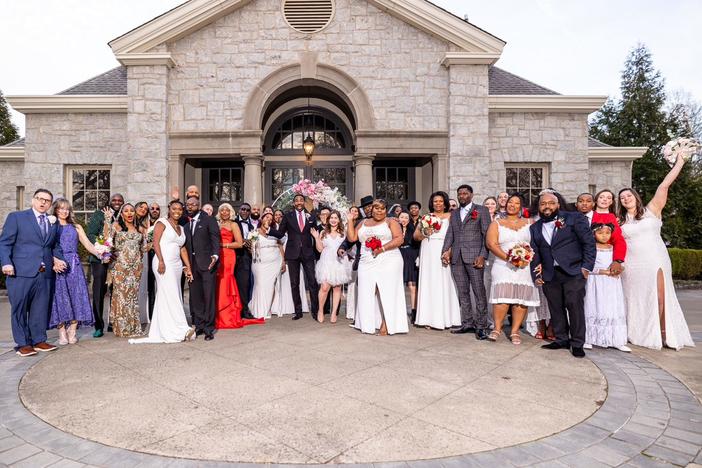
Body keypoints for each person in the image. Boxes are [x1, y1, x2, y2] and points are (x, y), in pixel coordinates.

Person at [618, 154, 694, 350]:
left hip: (655, 259)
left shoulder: (652, 210)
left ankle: (663, 333)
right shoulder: (620, 221)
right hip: (632, 265)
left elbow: (664, 186)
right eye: (622, 198)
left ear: (635, 197)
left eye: (628, 195)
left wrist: (680, 162)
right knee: (635, 298)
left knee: (660, 296)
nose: (626, 199)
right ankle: (637, 332)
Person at [0, 189, 66, 357]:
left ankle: (39, 340)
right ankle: (23, 343)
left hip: (44, 274)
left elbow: (54, 245)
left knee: (40, 308)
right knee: (20, 309)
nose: (43, 203)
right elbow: (5, 243)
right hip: (20, 271)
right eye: (40, 199)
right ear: (33, 200)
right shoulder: (17, 217)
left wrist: (57, 258)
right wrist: (6, 262)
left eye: (47, 201)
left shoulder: (53, 222)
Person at [530, 191, 596, 358]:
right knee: (555, 308)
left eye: (551, 203)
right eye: (543, 204)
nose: (547, 206)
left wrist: (586, 267)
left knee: (575, 307)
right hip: (550, 274)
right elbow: (535, 252)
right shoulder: (535, 227)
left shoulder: (574, 218)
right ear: (539, 207)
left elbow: (588, 243)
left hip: (574, 271)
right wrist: (536, 274)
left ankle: (577, 343)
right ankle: (561, 339)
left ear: (558, 204)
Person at [129, 201, 197, 344]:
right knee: (170, 293)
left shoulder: (181, 228)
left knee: (173, 294)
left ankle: (170, 327)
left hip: (177, 265)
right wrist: (160, 260)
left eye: (179, 209)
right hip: (163, 264)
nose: (177, 211)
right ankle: (180, 328)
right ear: (169, 209)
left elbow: (182, 249)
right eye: (174, 208)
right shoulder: (162, 222)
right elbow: (155, 242)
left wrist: (188, 267)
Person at [346, 199, 408, 335]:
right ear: (371, 209)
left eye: (382, 208)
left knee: (387, 290)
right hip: (366, 260)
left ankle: (386, 323)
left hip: (389, 259)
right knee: (367, 290)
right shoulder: (362, 223)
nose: (379, 211)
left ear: (386, 210)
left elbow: (399, 239)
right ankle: (367, 323)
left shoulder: (391, 221)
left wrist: (382, 248)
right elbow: (352, 238)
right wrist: (350, 220)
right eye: (376, 208)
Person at [485, 194, 540, 344]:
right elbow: (492, 244)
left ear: (521, 207)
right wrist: (510, 258)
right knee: (502, 297)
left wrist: (528, 260)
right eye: (510, 202)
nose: (512, 205)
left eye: (516, 203)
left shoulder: (531, 223)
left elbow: (538, 244)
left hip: (525, 266)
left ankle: (515, 331)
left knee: (520, 299)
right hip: (503, 264)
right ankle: (497, 328)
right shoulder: (496, 223)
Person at [441, 185, 491, 339]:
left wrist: (483, 255)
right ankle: (467, 322)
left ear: (471, 194)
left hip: (475, 257)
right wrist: (445, 250)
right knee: (463, 292)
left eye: (465, 193)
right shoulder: (454, 213)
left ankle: (482, 326)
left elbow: (486, 235)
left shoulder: (481, 211)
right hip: (457, 258)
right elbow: (451, 233)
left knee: (479, 292)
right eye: (459, 194)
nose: (462, 196)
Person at [50, 199, 101, 345]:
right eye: (61, 209)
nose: (64, 212)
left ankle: (72, 330)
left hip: (74, 266)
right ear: (56, 210)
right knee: (59, 298)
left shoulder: (76, 227)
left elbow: (87, 244)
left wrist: (101, 254)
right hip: (58, 265)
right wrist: (53, 261)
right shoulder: (52, 226)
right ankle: (61, 332)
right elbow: (46, 247)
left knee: (76, 296)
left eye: (66, 209)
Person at [267, 195, 320, 320]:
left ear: (304, 202)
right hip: (292, 253)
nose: (299, 202)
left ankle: (315, 311)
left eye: (301, 200)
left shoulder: (311, 215)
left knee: (312, 282)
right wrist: (268, 230)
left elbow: (315, 231)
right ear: (293, 203)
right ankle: (298, 311)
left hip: (308, 253)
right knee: (294, 283)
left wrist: (312, 221)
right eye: (296, 201)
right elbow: (280, 233)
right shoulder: (287, 216)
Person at [415, 191, 461, 330]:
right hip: (428, 248)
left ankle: (446, 318)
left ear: (445, 202)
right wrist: (425, 232)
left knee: (444, 281)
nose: (438, 204)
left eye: (441, 201)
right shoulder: (426, 217)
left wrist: (450, 251)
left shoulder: (452, 216)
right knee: (429, 282)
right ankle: (428, 318)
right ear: (431, 203)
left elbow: (457, 236)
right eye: (435, 201)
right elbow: (416, 237)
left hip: (444, 248)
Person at [215, 203, 264, 329]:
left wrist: (223, 245)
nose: (224, 212)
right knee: (219, 283)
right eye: (222, 210)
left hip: (229, 256)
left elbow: (239, 243)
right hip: (218, 256)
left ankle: (229, 314)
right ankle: (219, 314)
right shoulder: (216, 224)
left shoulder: (234, 224)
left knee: (227, 281)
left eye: (227, 210)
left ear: (231, 212)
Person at [584, 223, 630, 352]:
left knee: (611, 307)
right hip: (596, 282)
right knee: (595, 306)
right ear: (594, 234)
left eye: (607, 233)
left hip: (612, 283)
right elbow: (587, 266)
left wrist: (619, 269)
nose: (604, 236)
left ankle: (615, 339)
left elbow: (620, 263)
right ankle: (589, 338)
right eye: (600, 233)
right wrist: (604, 272)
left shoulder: (612, 247)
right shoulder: (591, 248)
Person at [86, 192, 123, 337]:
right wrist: (103, 248)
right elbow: (91, 234)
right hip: (100, 259)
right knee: (99, 292)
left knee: (117, 292)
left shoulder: (125, 216)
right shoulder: (99, 214)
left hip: (118, 260)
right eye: (114, 199)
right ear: (109, 201)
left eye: (120, 200)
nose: (117, 202)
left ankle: (113, 323)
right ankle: (98, 325)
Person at [107, 203, 146, 338]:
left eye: (131, 211)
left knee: (132, 297)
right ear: (122, 213)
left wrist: (151, 243)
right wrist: (107, 220)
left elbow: (142, 249)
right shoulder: (116, 226)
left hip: (136, 267)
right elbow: (106, 242)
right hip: (120, 267)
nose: (129, 213)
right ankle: (121, 328)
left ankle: (134, 327)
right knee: (121, 296)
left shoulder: (139, 228)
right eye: (126, 211)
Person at [184, 197, 220, 341]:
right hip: (192, 266)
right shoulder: (186, 224)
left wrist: (215, 256)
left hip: (207, 264)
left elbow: (215, 239)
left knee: (208, 297)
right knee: (196, 297)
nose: (190, 207)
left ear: (198, 206)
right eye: (188, 205)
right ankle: (199, 325)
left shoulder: (208, 219)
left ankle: (209, 328)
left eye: (193, 204)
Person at [312, 210, 351, 323]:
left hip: (339, 262)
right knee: (324, 287)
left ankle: (334, 313)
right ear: (328, 220)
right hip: (326, 262)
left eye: (335, 218)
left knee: (337, 287)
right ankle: (320, 310)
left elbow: (347, 246)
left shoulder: (344, 233)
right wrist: (316, 238)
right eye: (331, 218)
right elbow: (319, 249)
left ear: (339, 220)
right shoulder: (323, 233)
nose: (333, 220)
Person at [271, 208, 310, 317]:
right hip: (283, 258)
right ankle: (285, 306)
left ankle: (296, 307)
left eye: (280, 215)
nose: (278, 217)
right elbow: (279, 244)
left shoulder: (291, 228)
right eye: (276, 215)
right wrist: (283, 260)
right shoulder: (276, 230)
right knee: (287, 283)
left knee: (296, 282)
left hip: (294, 257)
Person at [249, 213, 285, 319]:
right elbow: (250, 248)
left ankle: (268, 309)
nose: (268, 219)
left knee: (271, 285)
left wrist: (283, 261)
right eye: (266, 217)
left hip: (275, 261)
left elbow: (281, 245)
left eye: (271, 218)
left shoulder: (275, 232)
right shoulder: (254, 232)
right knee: (260, 284)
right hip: (260, 263)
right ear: (262, 218)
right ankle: (259, 309)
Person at [234, 202, 256, 319]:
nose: (245, 212)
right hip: (233, 258)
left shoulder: (252, 227)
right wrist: (241, 241)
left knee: (244, 285)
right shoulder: (233, 223)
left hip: (246, 258)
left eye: (248, 210)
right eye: (243, 209)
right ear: (239, 210)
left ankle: (244, 310)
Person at [398, 211, 419, 323]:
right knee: (398, 283)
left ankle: (414, 311)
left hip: (411, 255)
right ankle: (398, 310)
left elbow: (418, 243)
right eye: (402, 217)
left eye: (406, 217)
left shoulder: (413, 229)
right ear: (398, 218)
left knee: (412, 285)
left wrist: (418, 256)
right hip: (398, 255)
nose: (404, 219)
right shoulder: (395, 229)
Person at [135, 201, 152, 326]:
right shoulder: (128, 222)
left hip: (143, 257)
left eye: (146, 209)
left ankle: (141, 315)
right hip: (131, 257)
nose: (143, 210)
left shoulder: (145, 225)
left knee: (142, 286)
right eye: (141, 207)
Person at [147, 202, 161, 320]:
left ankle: (157, 315)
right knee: (148, 288)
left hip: (157, 257)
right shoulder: (142, 225)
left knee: (158, 287)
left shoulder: (161, 224)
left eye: (157, 209)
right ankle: (149, 315)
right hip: (144, 258)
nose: (155, 210)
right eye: (152, 208)